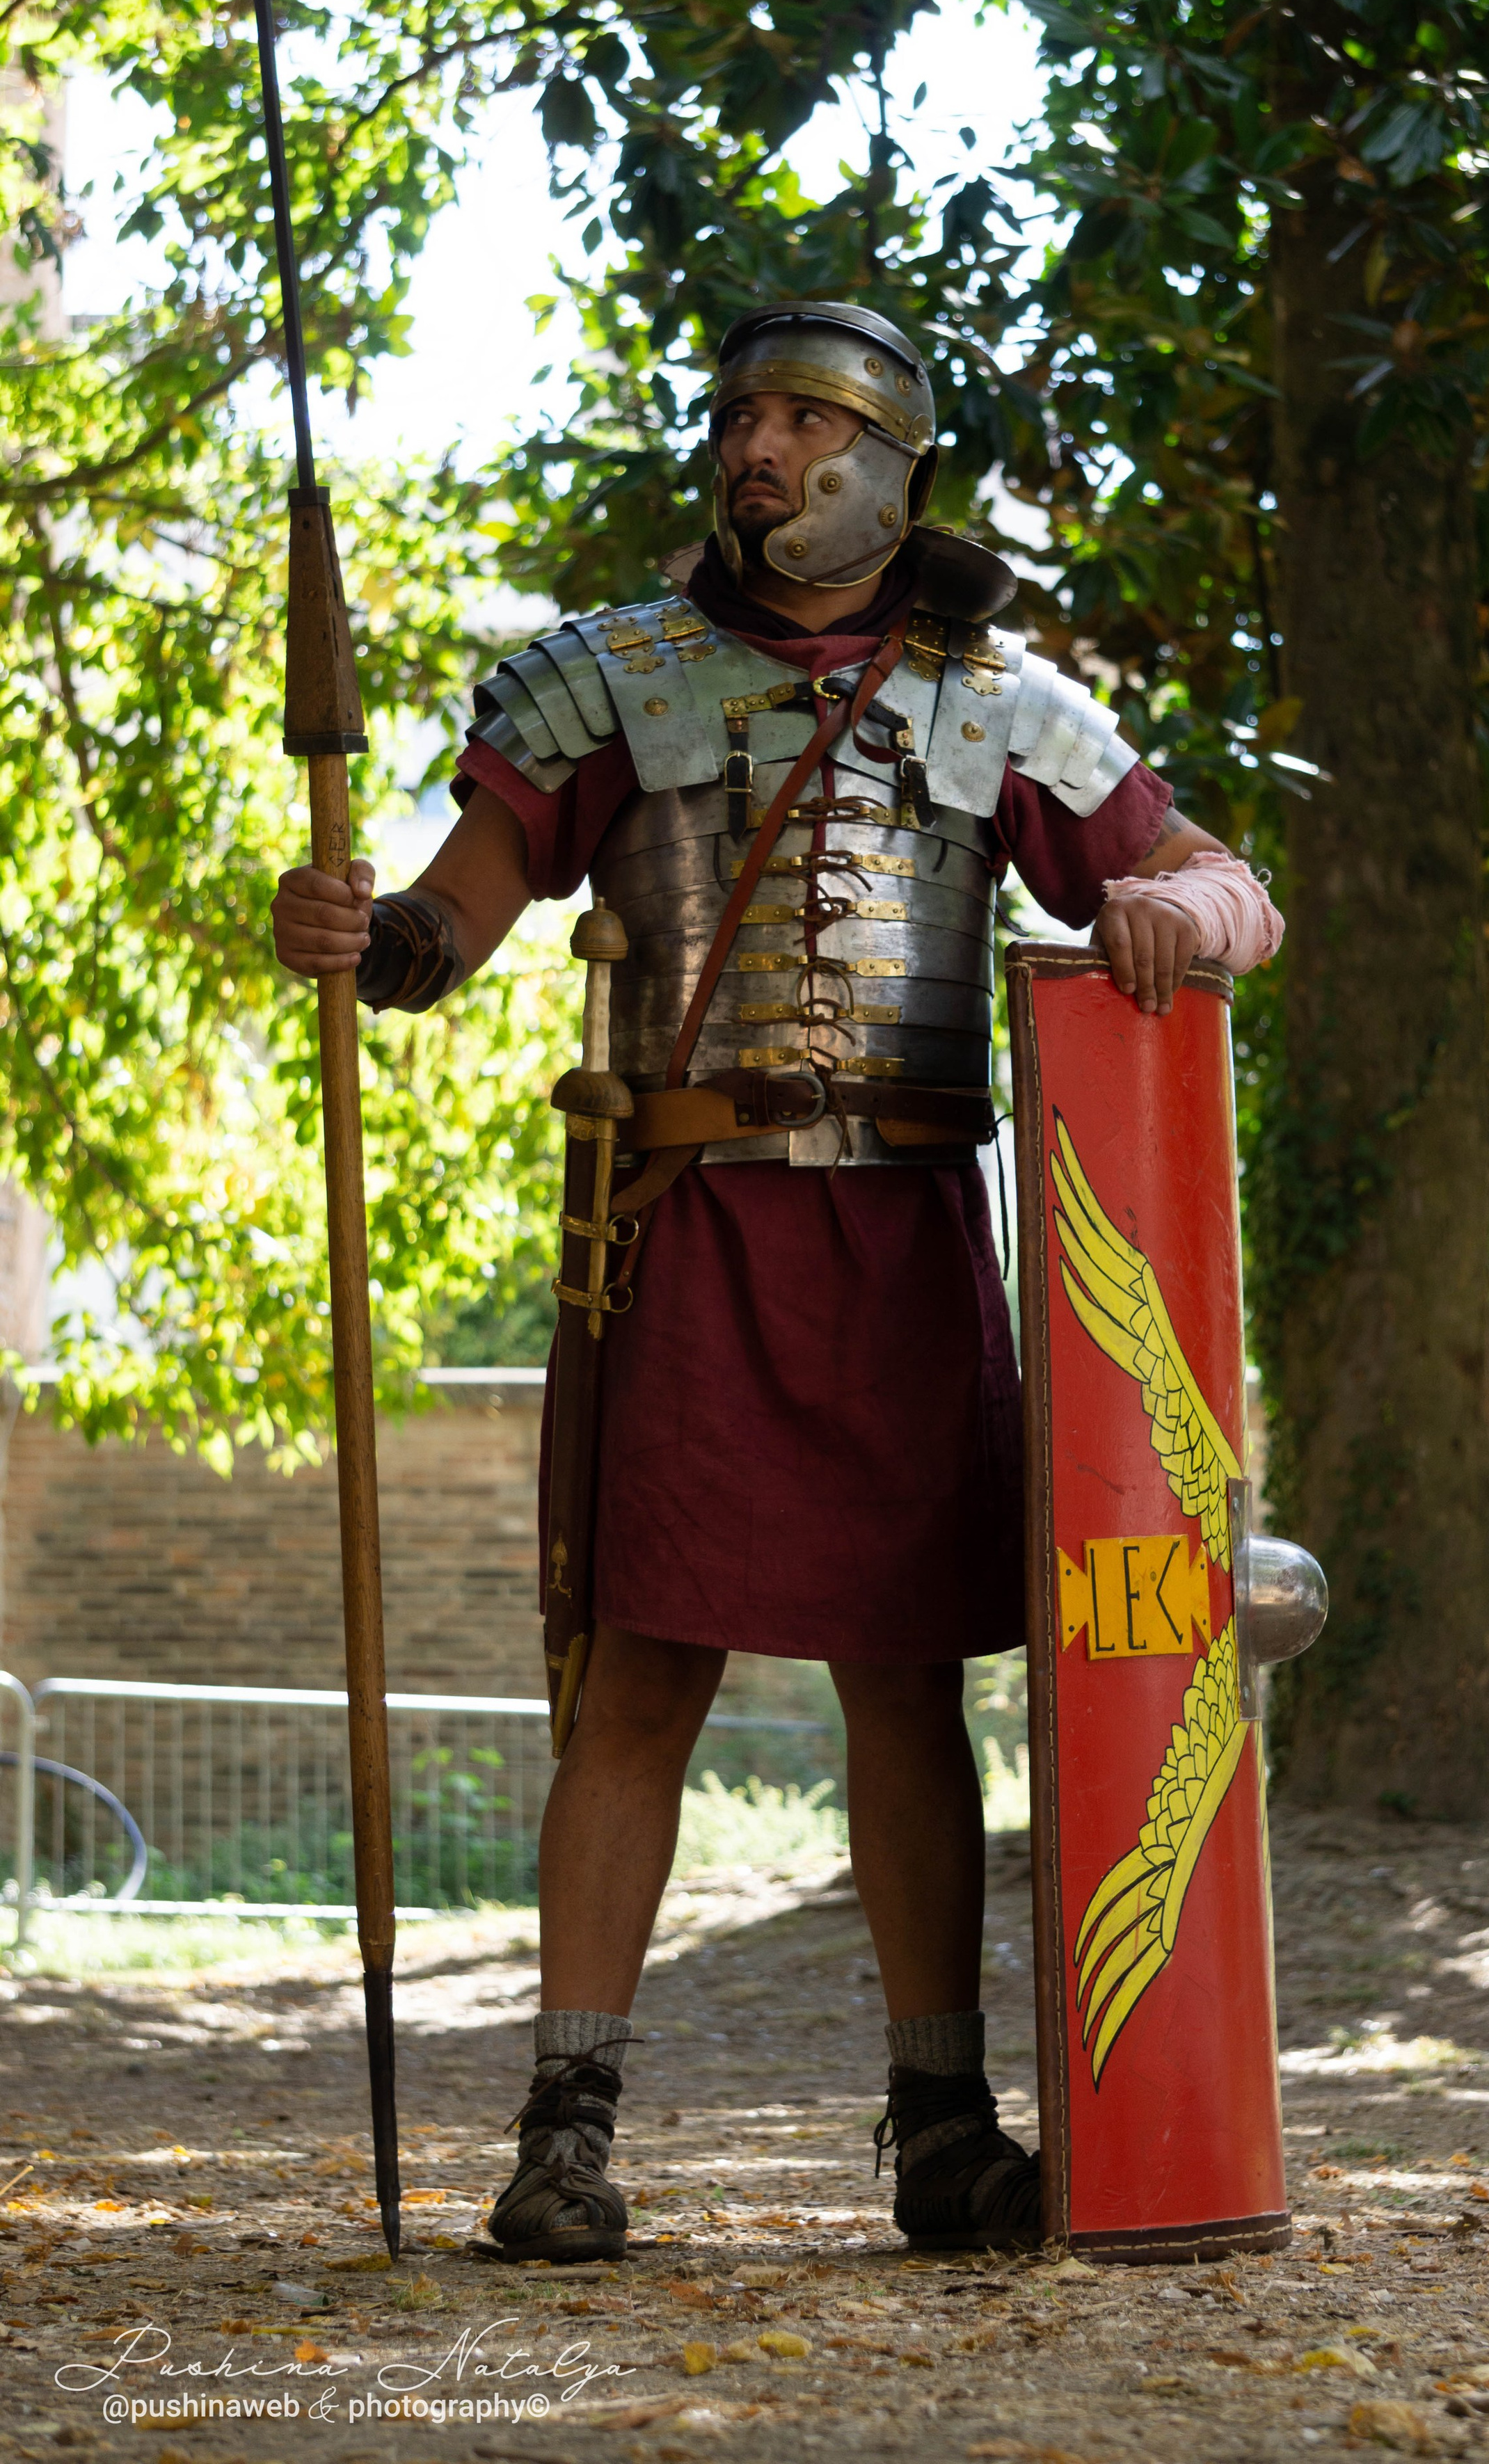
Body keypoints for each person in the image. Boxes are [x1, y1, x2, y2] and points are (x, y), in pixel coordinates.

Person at [271, 299, 1277, 2259]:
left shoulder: (1004, 701)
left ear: (894, 466)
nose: (761, 445)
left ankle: (938, 2131)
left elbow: (1240, 887)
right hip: (692, 1221)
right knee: (640, 1674)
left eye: (809, 418)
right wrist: (367, 932)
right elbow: (451, 919)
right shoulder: (605, 679)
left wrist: (1170, 905)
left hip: (904, 1240)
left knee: (909, 1684)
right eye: (742, 413)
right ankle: (565, 2135)